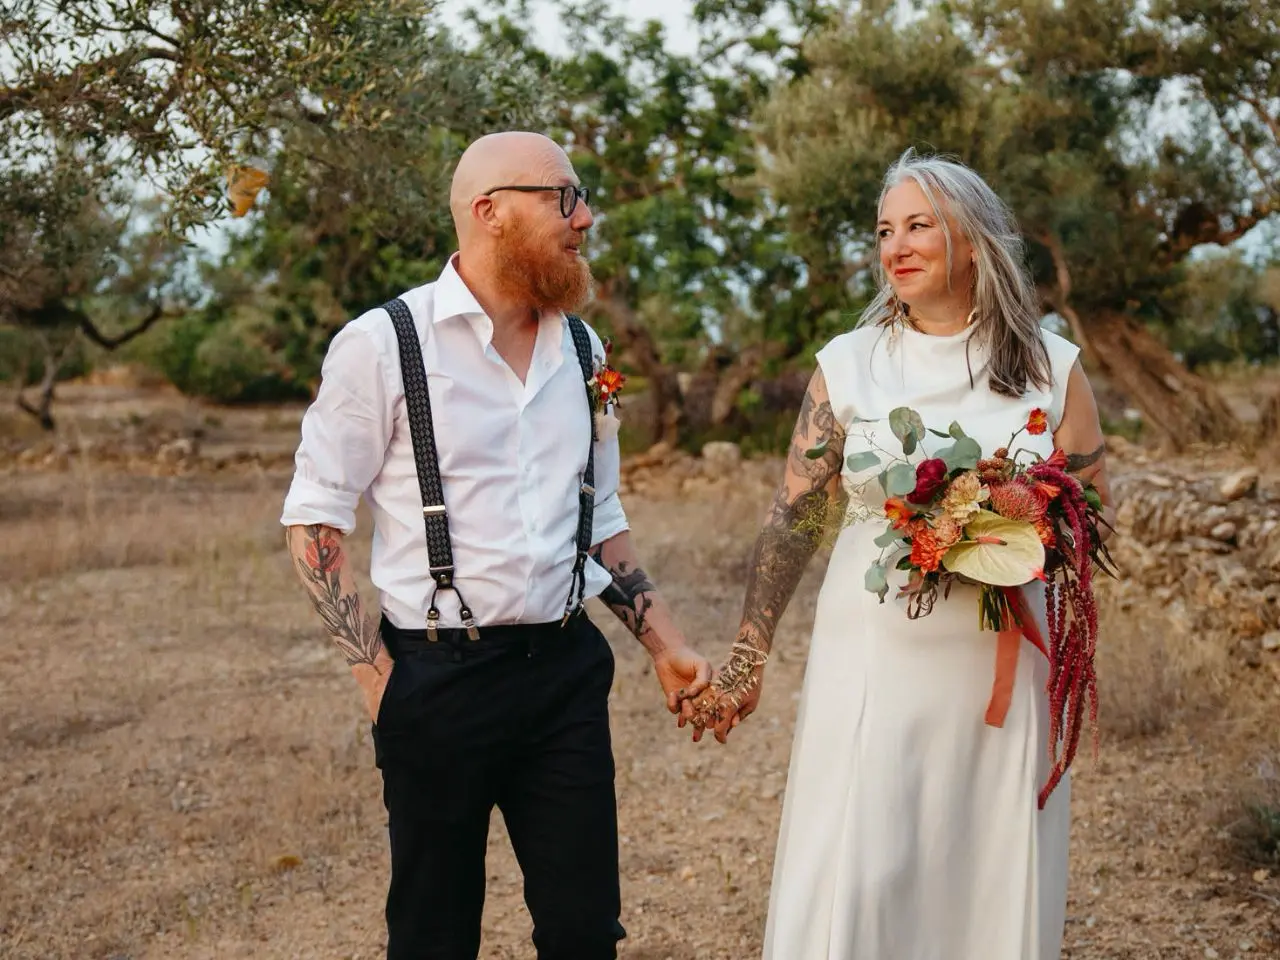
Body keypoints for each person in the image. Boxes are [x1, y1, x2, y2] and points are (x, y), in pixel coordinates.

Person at [280, 130, 711, 960]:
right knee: (434, 934)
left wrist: (666, 644)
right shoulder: (383, 345)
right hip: (435, 681)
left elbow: (602, 511)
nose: (585, 216)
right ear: (492, 212)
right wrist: (380, 683)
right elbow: (316, 521)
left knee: (585, 930)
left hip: (564, 672)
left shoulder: (585, 351)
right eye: (565, 197)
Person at [692, 150, 1115, 959]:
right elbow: (794, 517)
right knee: (864, 858)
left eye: (919, 224)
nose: (896, 246)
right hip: (873, 656)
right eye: (886, 230)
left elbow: (1091, 521)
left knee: (987, 864)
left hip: (1001, 664)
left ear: (976, 236)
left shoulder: (1053, 369)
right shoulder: (850, 364)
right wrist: (750, 654)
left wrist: (1004, 521)